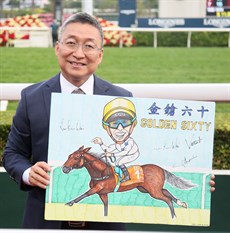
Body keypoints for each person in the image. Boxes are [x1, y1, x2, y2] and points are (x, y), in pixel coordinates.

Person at [3, 12, 215, 230]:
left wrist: (197, 175)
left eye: (88, 46)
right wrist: (29, 174)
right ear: (57, 48)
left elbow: (151, 152)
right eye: (71, 43)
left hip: (106, 224)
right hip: (44, 220)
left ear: (100, 54)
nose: (78, 53)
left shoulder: (122, 99)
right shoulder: (32, 97)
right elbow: (12, 154)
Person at [93, 97, 140, 182]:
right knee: (114, 163)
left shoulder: (130, 142)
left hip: (132, 154)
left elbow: (125, 152)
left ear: (132, 125)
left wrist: (112, 155)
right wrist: (101, 143)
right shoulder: (116, 145)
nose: (120, 128)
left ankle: (126, 176)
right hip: (124, 154)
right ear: (107, 128)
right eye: (114, 123)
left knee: (119, 162)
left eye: (125, 123)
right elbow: (108, 149)